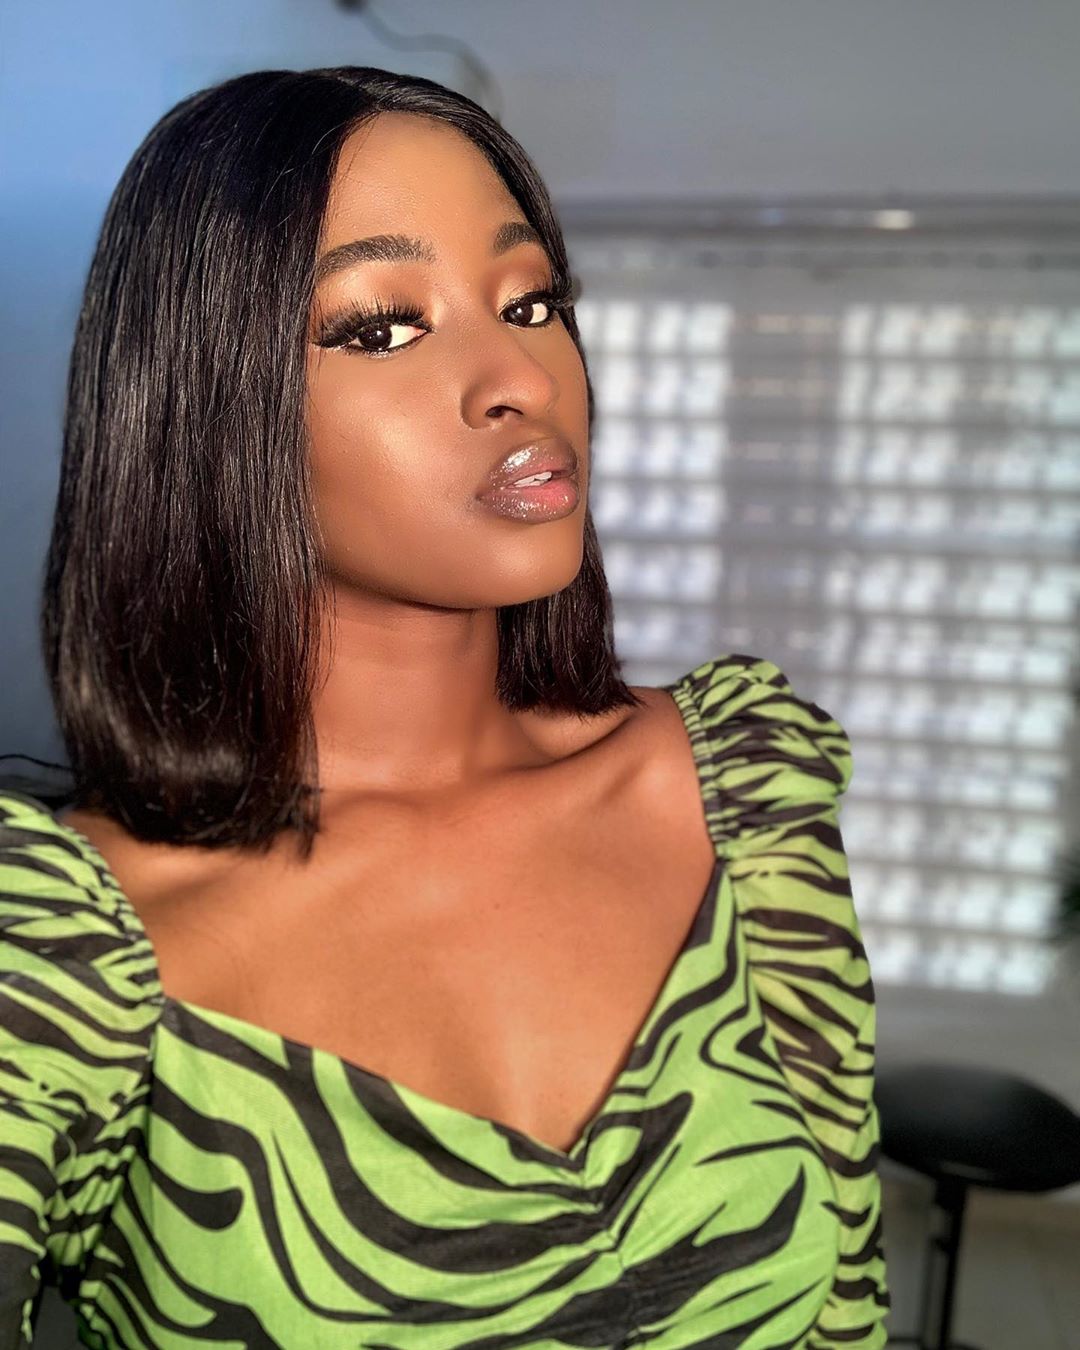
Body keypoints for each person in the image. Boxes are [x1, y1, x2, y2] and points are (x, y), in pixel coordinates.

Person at [0, 66, 890, 1349]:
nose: (519, 376)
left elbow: (848, 1302)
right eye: (380, 328)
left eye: (532, 301)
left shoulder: (739, 800)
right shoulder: (67, 953)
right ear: (205, 404)